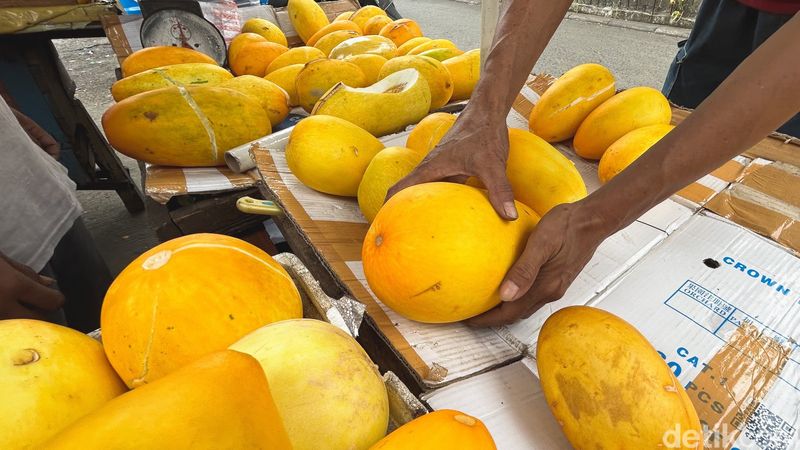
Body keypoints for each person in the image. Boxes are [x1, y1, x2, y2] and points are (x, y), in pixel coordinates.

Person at [387, 2, 800, 327]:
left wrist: (600, 216)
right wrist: (483, 111)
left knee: (768, 161)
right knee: (685, 111)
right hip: (729, 10)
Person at [0, 95, 112, 332]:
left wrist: (7, 111)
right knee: (55, 358)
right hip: (12, 266)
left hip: (32, 189)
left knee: (109, 324)